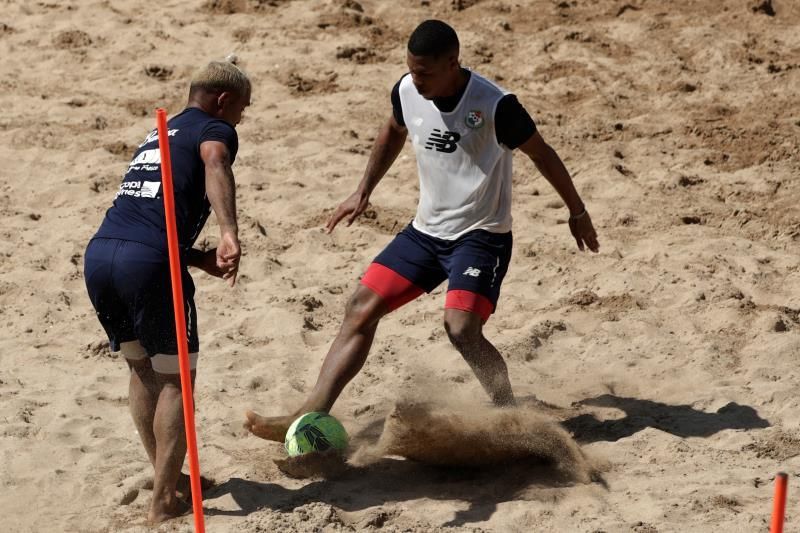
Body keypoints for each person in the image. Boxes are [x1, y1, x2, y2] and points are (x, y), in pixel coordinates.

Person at [244, 20, 598, 442]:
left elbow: (543, 154)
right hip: (425, 233)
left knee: (462, 329)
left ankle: (511, 417)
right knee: (360, 307)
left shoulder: (496, 106)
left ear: (454, 63)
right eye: (411, 69)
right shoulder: (407, 90)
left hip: (480, 236)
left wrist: (576, 210)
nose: (416, 79)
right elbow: (394, 129)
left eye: (425, 72)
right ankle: (307, 413)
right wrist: (363, 190)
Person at [83, 60, 250, 523]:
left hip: (100, 256)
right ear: (223, 100)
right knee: (176, 380)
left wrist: (200, 260)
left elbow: (149, 223)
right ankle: (162, 504)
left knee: (142, 369)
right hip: (147, 264)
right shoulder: (214, 129)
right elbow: (216, 161)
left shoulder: (159, 133)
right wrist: (229, 230)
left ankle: (170, 479)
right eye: (242, 110)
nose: (240, 120)